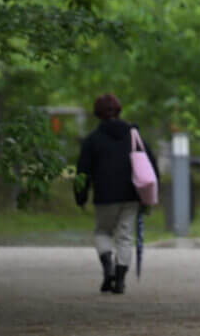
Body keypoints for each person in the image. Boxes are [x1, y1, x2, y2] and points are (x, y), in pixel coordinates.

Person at [75, 92, 158, 294]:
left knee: (102, 231)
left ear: (97, 114)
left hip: (104, 196)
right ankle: (120, 281)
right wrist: (149, 196)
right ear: (119, 111)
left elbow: (82, 172)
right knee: (124, 237)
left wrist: (81, 196)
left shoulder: (92, 140)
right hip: (132, 195)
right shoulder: (134, 135)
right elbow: (151, 165)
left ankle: (108, 270)